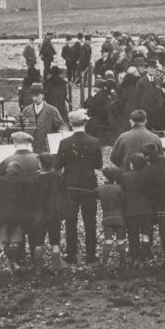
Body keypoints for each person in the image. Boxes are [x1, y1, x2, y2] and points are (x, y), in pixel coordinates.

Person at [55, 109, 103, 264]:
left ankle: (71, 254)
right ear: (85, 123)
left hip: (70, 185)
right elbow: (98, 165)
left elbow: (58, 164)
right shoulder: (95, 142)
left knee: (71, 220)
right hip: (89, 185)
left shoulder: (64, 143)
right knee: (90, 220)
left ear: (70, 124)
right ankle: (90, 254)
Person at [0, 131, 40, 262]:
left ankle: (18, 257)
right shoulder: (38, 159)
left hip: (13, 204)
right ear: (29, 143)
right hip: (34, 201)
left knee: (15, 231)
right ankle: (35, 255)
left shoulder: (6, 161)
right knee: (34, 230)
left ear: (14, 144)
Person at [29, 153, 70, 269]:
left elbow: (30, 198)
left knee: (38, 242)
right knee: (55, 241)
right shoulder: (59, 178)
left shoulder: (35, 179)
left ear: (41, 164)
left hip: (39, 214)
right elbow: (64, 197)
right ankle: (57, 267)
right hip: (54, 214)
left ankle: (38, 267)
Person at [120, 153, 153, 267]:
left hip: (131, 210)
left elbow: (122, 194)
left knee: (133, 234)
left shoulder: (125, 177)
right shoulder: (148, 176)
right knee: (145, 233)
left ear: (131, 164)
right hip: (146, 209)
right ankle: (144, 257)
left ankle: (135, 257)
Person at [20, 82, 68, 153]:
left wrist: (55, 137)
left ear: (43, 95)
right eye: (33, 96)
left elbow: (62, 126)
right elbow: (19, 126)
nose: (35, 98)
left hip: (45, 148)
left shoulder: (52, 110)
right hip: (29, 148)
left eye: (37, 95)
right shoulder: (26, 110)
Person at [96, 165, 126, 268]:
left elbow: (96, 194)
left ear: (105, 177)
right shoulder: (120, 189)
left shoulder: (100, 189)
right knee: (121, 240)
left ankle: (104, 263)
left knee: (108, 240)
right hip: (120, 218)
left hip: (107, 218)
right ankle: (122, 263)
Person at [135, 59, 164, 130]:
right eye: (151, 68)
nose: (153, 70)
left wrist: (160, 105)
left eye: (154, 68)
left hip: (157, 112)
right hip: (146, 111)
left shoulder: (158, 80)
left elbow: (160, 95)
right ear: (146, 69)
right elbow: (138, 97)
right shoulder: (141, 81)